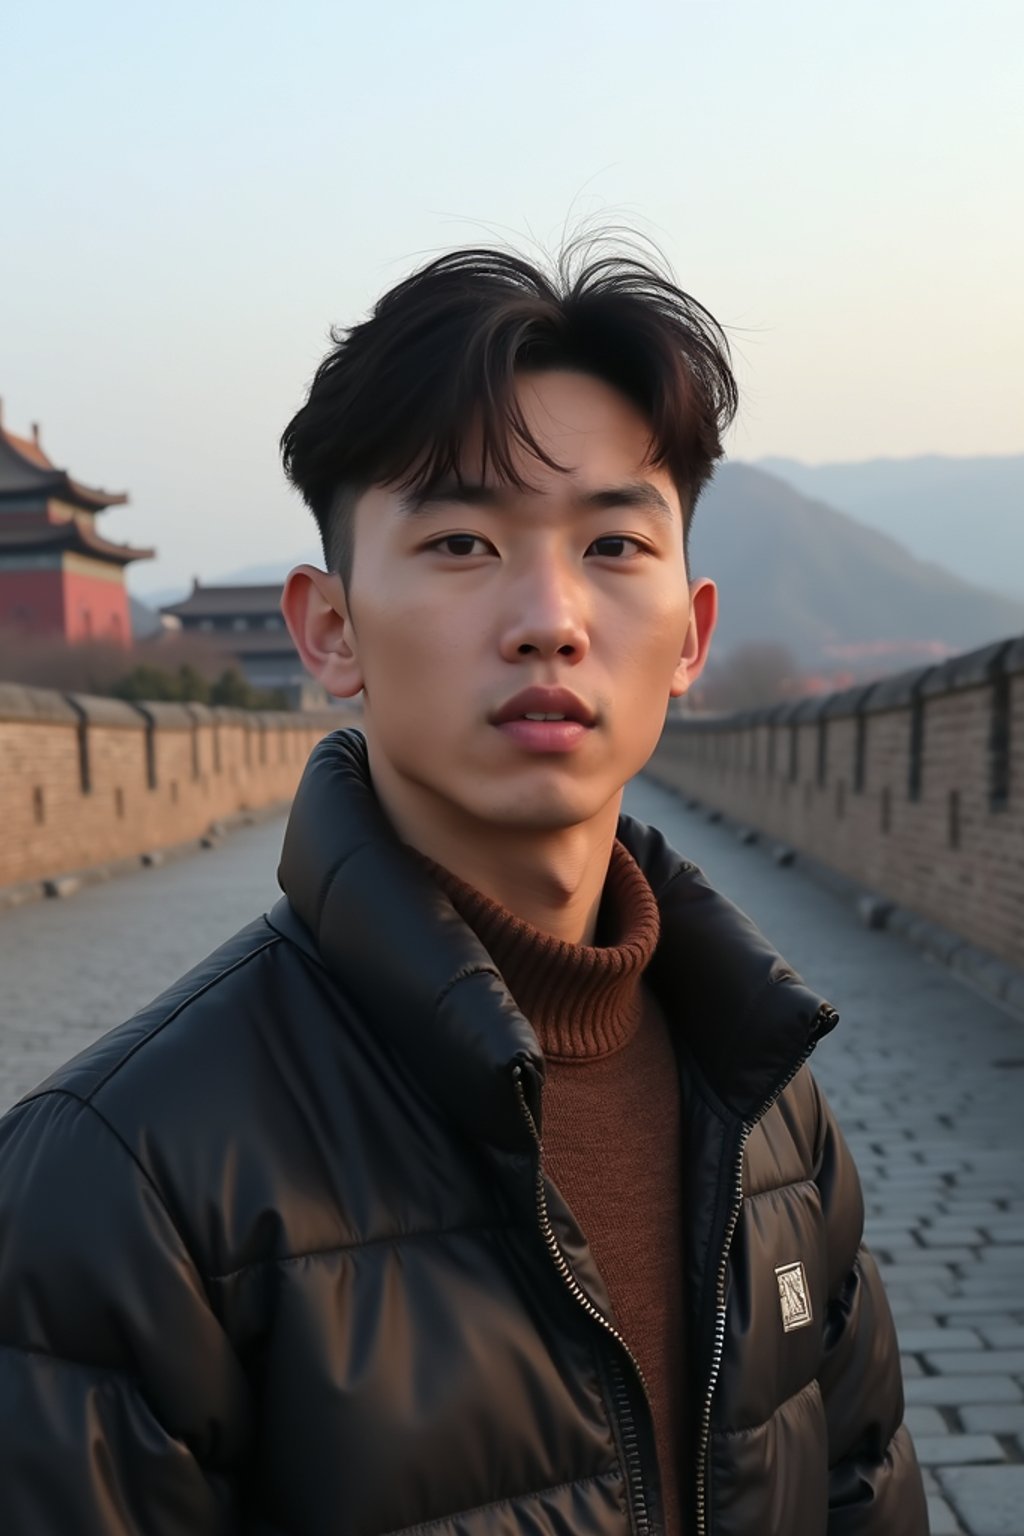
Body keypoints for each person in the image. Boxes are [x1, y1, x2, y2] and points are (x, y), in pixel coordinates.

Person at [0, 240, 927, 1535]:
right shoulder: (123, 1181)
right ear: (328, 627)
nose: (548, 614)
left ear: (693, 640)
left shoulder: (775, 1105)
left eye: (613, 541)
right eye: (459, 541)